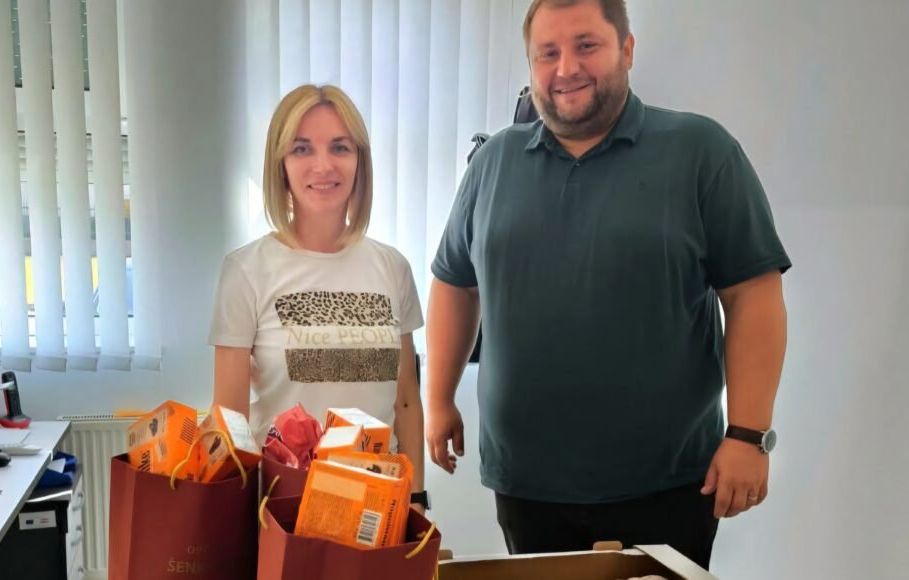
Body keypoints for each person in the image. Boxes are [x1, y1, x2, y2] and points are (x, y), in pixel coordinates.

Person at [425, 0, 790, 568]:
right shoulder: (493, 163)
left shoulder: (702, 152)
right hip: (527, 486)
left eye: (586, 45)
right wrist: (438, 399)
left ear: (627, 49)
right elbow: (454, 283)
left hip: (668, 484)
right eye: (547, 53)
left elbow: (752, 294)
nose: (566, 68)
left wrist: (749, 434)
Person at [209, 84, 427, 508]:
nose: (323, 165)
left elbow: (405, 401)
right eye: (302, 149)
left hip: (376, 507)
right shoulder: (246, 271)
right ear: (281, 165)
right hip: (282, 507)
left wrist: (416, 495)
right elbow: (229, 418)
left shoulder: (393, 268)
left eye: (340, 147)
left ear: (359, 161)